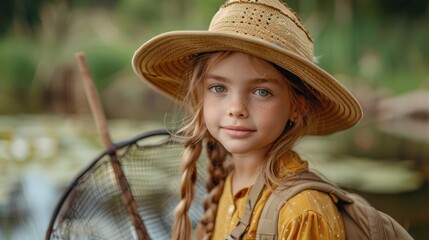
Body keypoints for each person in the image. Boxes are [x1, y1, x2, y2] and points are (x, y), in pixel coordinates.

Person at [132, 0, 362, 239]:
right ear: (200, 96)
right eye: (219, 88)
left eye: (262, 92)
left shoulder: (301, 211)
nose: (237, 109)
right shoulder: (225, 185)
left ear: (297, 107)